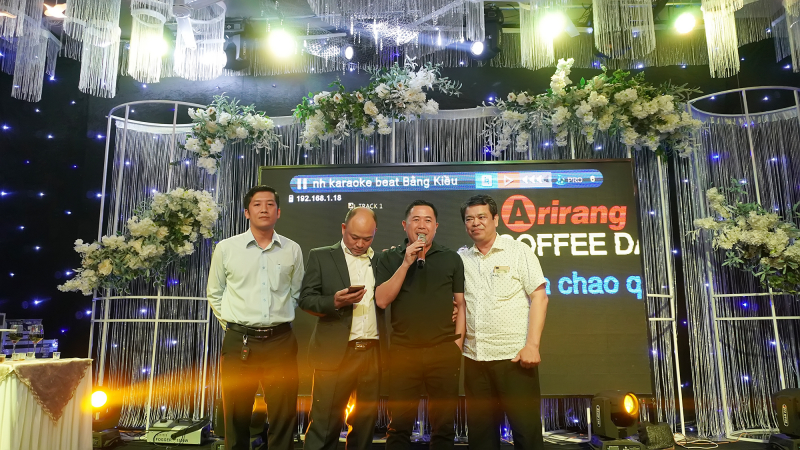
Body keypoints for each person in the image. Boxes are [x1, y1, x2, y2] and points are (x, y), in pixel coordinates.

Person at [207, 185, 304, 450]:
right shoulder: (226, 248)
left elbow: (297, 293)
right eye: (257, 204)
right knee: (236, 414)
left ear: (278, 212)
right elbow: (214, 293)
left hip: (281, 342)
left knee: (283, 414)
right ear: (247, 212)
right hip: (239, 342)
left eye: (270, 204)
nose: (264, 209)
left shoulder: (292, 249)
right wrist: (235, 325)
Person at [457, 194, 548, 450]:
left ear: (495, 219)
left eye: (482, 217)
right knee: (480, 439)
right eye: (469, 219)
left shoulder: (518, 252)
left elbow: (540, 297)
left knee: (527, 434)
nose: (475, 223)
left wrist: (532, 345)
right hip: (475, 359)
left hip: (514, 359)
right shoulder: (461, 259)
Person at [375, 199, 466, 450]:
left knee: (444, 426)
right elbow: (381, 300)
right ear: (405, 225)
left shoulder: (451, 258)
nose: (422, 225)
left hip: (443, 351)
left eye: (428, 220)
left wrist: (457, 344)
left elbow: (461, 304)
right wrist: (406, 263)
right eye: (416, 220)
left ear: (436, 226)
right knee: (399, 426)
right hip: (403, 352)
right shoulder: (389, 258)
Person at [299, 207, 387, 450]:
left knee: (365, 425)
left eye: (367, 239)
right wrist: (334, 302)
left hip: (372, 353)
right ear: (343, 228)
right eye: (354, 237)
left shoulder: (381, 261)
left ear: (375, 233)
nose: (360, 244)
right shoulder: (321, 256)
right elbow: (305, 299)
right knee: (324, 424)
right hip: (335, 352)